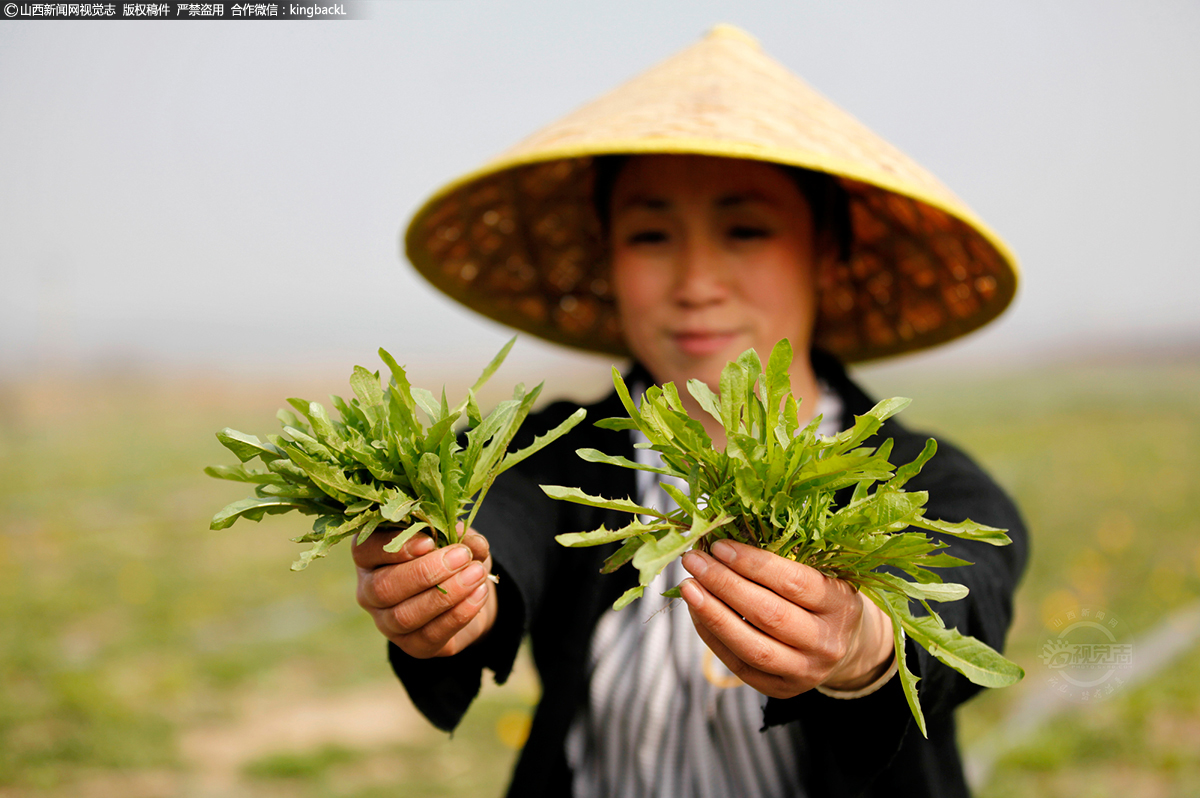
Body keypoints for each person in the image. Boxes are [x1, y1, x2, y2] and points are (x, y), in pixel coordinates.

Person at [353, 25, 1027, 798]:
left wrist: (863, 642)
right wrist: (450, 574)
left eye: (745, 230)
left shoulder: (928, 485)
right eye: (649, 235)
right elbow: (498, 510)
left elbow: (968, 594)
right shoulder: (555, 454)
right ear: (608, 258)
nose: (696, 280)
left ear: (826, 252)